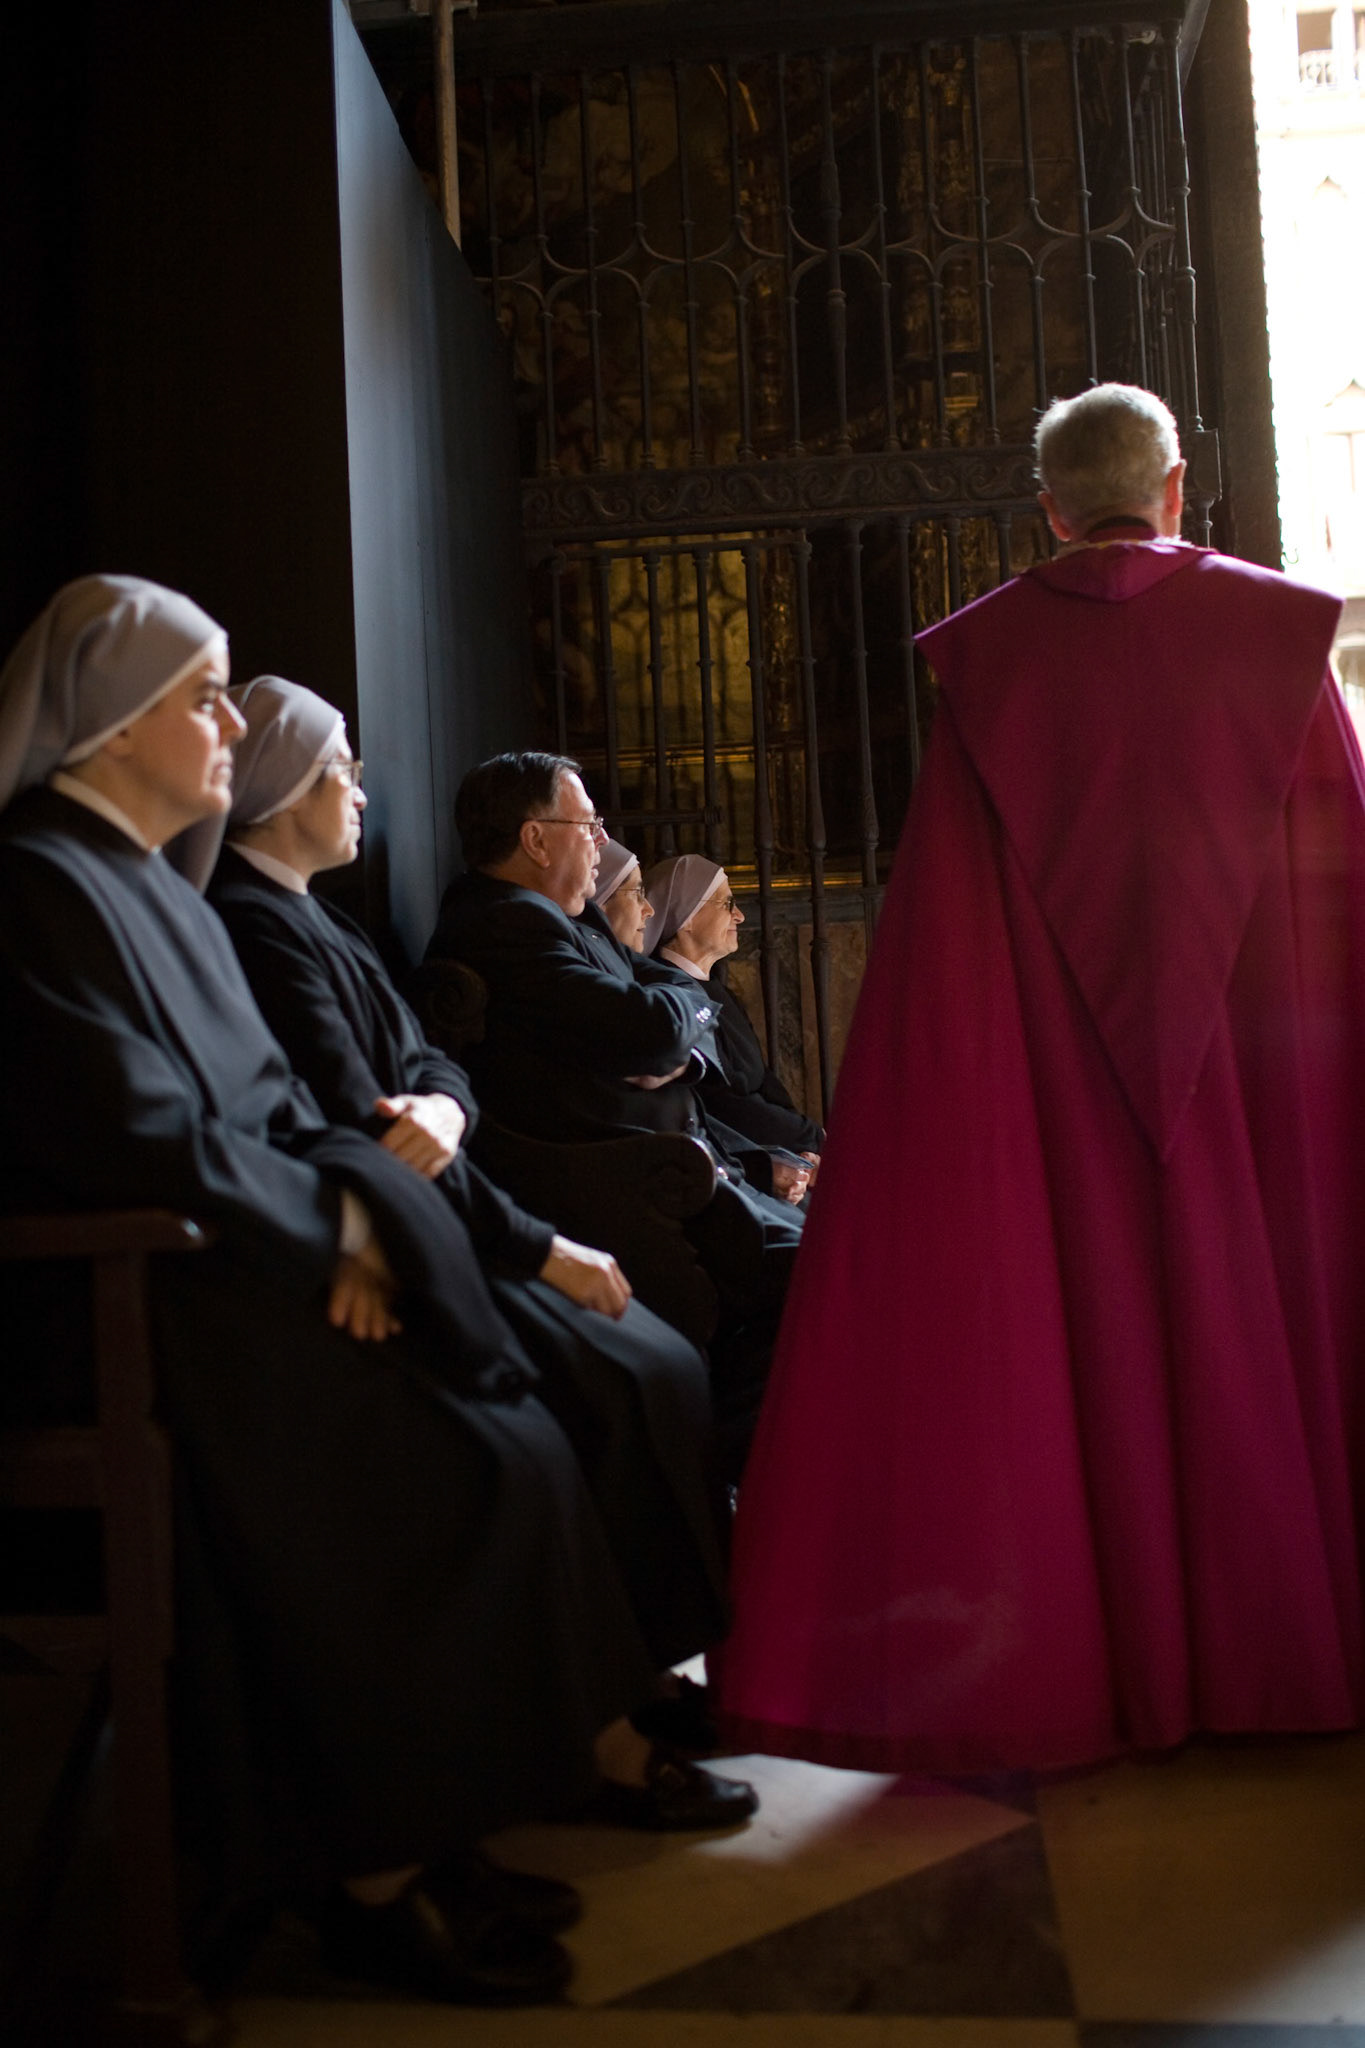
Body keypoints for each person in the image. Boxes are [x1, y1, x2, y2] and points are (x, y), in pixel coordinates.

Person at [0, 578, 753, 2012]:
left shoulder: (140, 882)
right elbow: (140, 1130)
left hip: (249, 1260)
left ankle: (428, 1828)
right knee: (473, 1454)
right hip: (161, 1306)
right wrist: (337, 1230)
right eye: (201, 696)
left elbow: (284, 1107)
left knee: (518, 1437)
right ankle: (365, 1879)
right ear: (111, 719)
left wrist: (353, 1216)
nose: (230, 723)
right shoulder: (41, 882)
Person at [719, 383, 1365, 1774]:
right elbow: (1341, 888)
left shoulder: (987, 667)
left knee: (1093, 1333)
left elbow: (949, 949)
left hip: (1062, 1093)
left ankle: (1106, 1662)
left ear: (1048, 509)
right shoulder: (1280, 639)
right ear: (1179, 488)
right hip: (1262, 1081)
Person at [206, 675, 731, 1711]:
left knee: (660, 1363)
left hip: (436, 1193)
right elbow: (355, 1110)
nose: (362, 791)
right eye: (340, 770)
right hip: (390, 1229)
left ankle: (658, 1661)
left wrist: (443, 1110)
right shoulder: (256, 923)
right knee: (630, 1374)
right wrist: (526, 1235)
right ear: (281, 786)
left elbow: (426, 1070)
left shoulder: (320, 918)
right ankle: (622, 1689)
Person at [424, 754, 803, 1476]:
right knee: (826, 1283)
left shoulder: (562, 917)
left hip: (679, 1168)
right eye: (589, 825)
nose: (601, 841)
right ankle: (737, 1487)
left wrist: (679, 1022)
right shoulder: (505, 924)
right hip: (636, 1190)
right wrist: (679, 1023)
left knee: (839, 1255)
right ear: (536, 840)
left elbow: (664, 1004)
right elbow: (654, 1027)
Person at [645, 853, 822, 1203]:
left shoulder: (714, 988)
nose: (739, 915)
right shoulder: (673, 993)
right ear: (688, 917)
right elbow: (723, 1102)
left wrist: (806, 1141)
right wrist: (809, 1141)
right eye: (728, 903)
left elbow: (762, 1079)